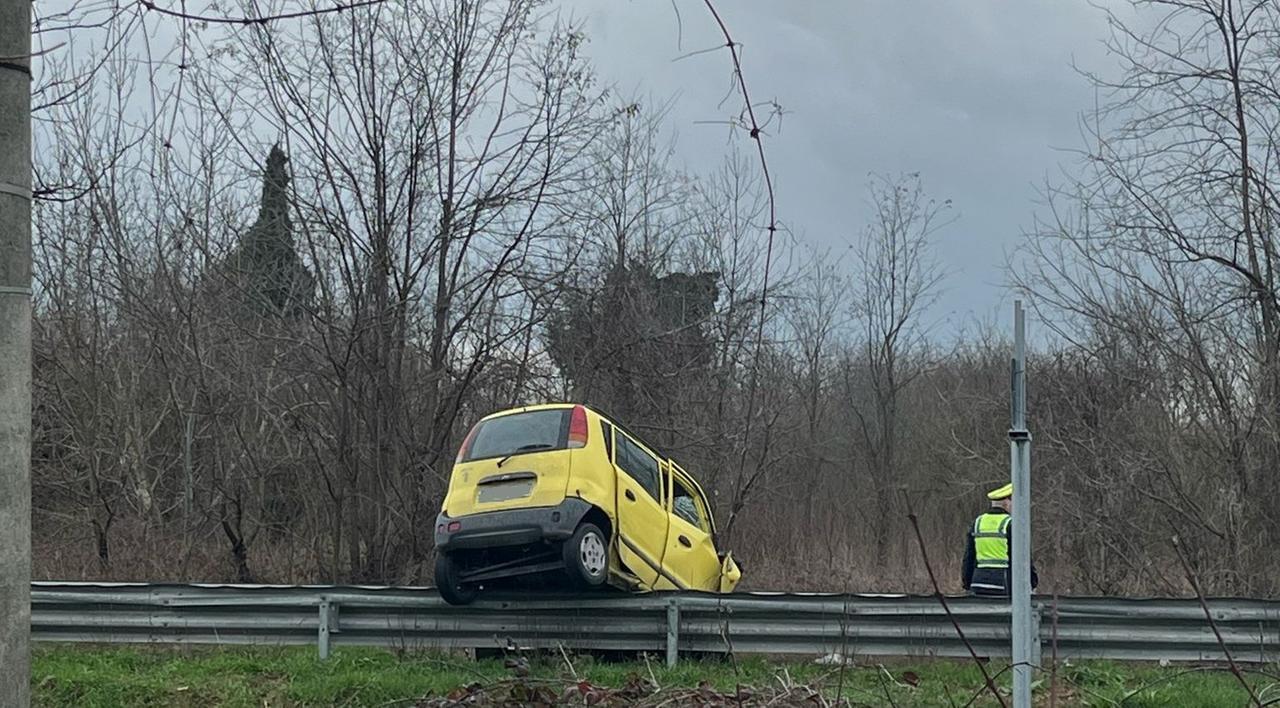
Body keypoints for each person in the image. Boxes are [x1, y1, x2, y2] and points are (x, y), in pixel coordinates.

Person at [962, 482, 1038, 596]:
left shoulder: (977, 522)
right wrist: (1032, 582)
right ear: (1007, 503)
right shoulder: (1012, 524)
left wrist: (967, 583)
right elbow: (1022, 558)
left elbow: (969, 557)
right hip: (1003, 584)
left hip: (978, 583)